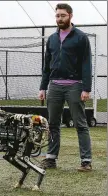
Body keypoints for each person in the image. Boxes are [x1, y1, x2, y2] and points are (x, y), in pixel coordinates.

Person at [38, 3, 92, 172]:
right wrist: (43, 87)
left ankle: (86, 161)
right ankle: (51, 159)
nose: (59, 19)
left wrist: (86, 88)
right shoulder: (52, 39)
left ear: (70, 16)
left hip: (75, 86)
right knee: (53, 124)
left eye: (62, 15)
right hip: (54, 86)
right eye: (57, 16)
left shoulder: (81, 37)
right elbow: (47, 65)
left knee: (80, 124)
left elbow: (86, 63)